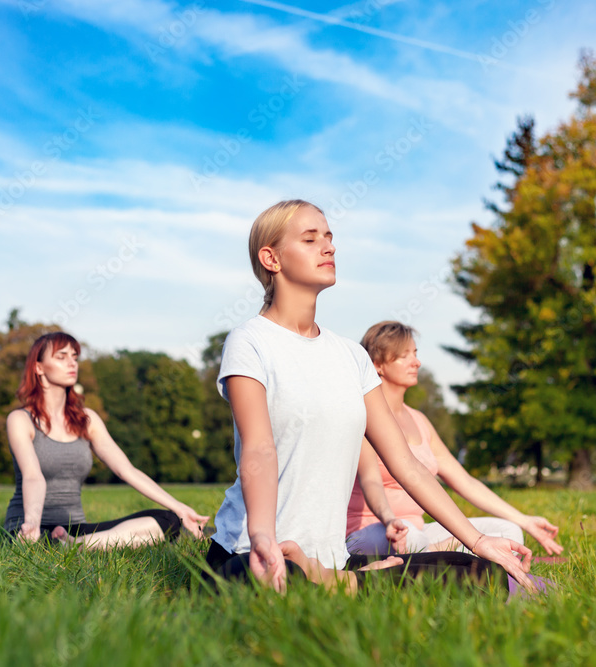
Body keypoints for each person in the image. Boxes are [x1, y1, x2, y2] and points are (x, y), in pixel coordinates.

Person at [204, 199, 538, 593]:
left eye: (328, 237)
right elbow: (258, 450)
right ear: (271, 258)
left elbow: (406, 464)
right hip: (250, 551)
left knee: (481, 573)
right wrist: (262, 536)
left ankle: (340, 579)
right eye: (310, 239)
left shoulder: (351, 356)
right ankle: (347, 583)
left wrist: (478, 541)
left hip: (330, 556)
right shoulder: (250, 342)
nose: (328, 247)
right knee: (274, 583)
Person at [345, 322, 564, 558]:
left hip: (418, 531)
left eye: (415, 354)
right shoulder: (366, 416)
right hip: (371, 532)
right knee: (411, 539)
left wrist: (525, 520)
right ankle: (448, 555)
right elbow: (372, 481)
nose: (416, 362)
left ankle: (439, 554)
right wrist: (388, 518)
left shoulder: (420, 420)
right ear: (377, 365)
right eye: (404, 355)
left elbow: (465, 481)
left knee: (507, 531)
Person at [3, 332, 210, 548]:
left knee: (169, 521)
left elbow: (127, 471)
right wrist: (32, 523)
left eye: (74, 357)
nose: (72, 363)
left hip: (76, 529)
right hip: (31, 527)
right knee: (43, 539)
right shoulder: (20, 419)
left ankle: (78, 544)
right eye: (61, 357)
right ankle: (87, 545)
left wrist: (180, 509)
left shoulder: (87, 420)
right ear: (39, 367)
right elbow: (33, 476)